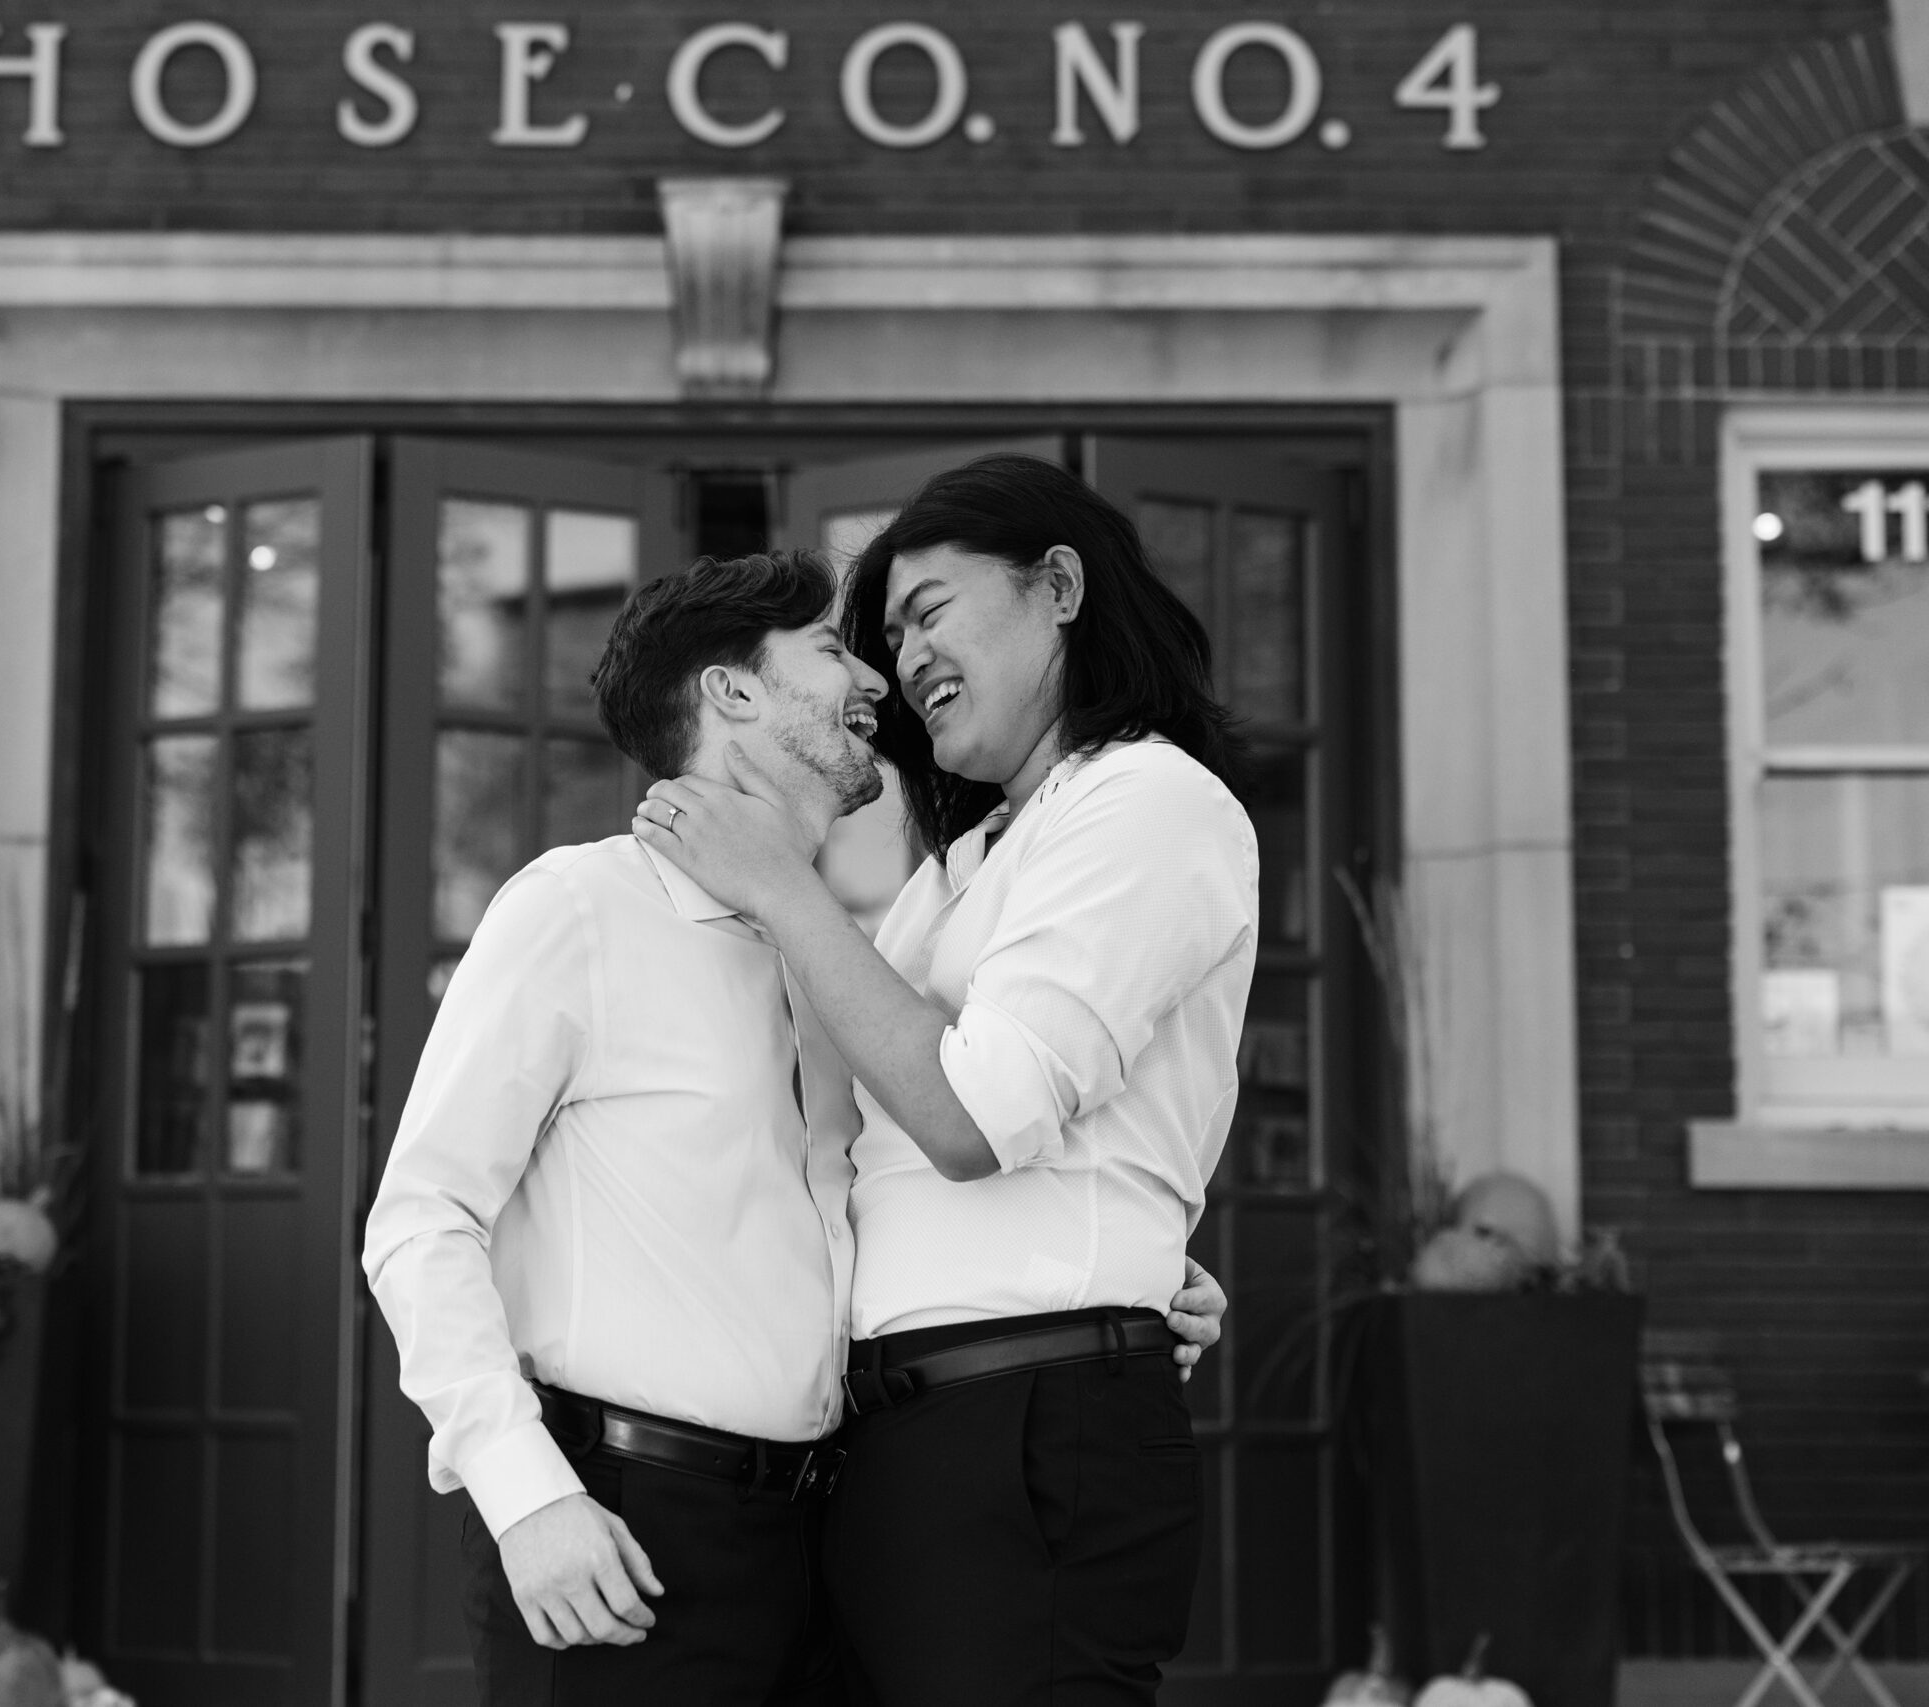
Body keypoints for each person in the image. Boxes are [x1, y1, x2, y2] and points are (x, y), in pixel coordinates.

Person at [365, 549, 1227, 1707]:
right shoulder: (575, 909)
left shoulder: (836, 971)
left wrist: (1118, 1280)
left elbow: (886, 1196)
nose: (875, 679)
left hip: (828, 1537)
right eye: (830, 650)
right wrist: (526, 1495)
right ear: (731, 694)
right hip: (626, 1531)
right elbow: (420, 1222)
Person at [636, 456, 1259, 1707]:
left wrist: (780, 886)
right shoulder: (966, 859)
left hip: (1023, 1432)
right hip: (909, 1437)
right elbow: (878, 1145)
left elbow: (974, 1115)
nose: (904, 662)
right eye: (884, 639)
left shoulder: (1147, 801)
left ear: (1060, 587)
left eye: (928, 611)